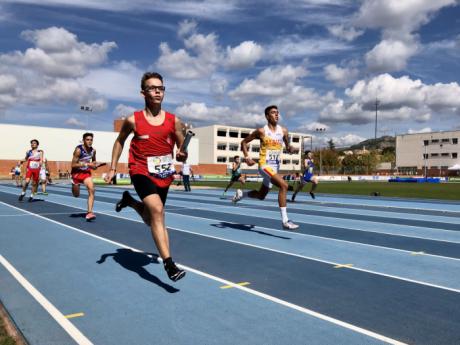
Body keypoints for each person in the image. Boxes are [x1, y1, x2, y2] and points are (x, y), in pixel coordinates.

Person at [105, 71, 187, 282]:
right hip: (140, 169)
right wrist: (113, 168)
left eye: (161, 88)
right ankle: (169, 265)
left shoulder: (174, 120)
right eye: (152, 88)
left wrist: (182, 153)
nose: (157, 91)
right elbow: (119, 142)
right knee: (158, 211)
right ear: (143, 93)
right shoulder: (133, 120)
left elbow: (182, 147)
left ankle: (130, 202)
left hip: (164, 173)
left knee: (152, 218)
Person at [232, 105, 299, 230]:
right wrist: (247, 157)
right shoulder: (261, 131)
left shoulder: (283, 131)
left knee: (261, 195)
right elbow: (244, 142)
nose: (276, 114)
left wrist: (291, 148)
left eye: (277, 112)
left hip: (275, 168)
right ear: (267, 116)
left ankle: (242, 194)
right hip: (264, 165)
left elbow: (287, 146)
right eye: (273, 113)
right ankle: (285, 220)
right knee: (284, 185)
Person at [71, 133, 104, 221]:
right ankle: (74, 184)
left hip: (86, 173)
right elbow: (73, 165)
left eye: (91, 140)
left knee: (92, 189)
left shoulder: (93, 151)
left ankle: (89, 212)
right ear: (83, 140)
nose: (89, 141)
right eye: (87, 139)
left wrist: (95, 165)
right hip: (76, 173)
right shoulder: (78, 150)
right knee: (76, 195)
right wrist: (87, 164)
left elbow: (93, 162)